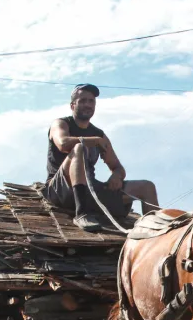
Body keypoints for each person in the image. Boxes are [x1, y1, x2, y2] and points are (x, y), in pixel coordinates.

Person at [42, 84, 159, 231]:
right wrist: (94, 141)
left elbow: (117, 167)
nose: (88, 105)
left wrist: (116, 176)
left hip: (90, 190)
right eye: (83, 100)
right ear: (73, 105)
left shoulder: (99, 133)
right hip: (60, 190)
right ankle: (81, 214)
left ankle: (157, 232)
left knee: (147, 187)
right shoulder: (61, 124)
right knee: (79, 147)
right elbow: (63, 144)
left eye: (91, 101)